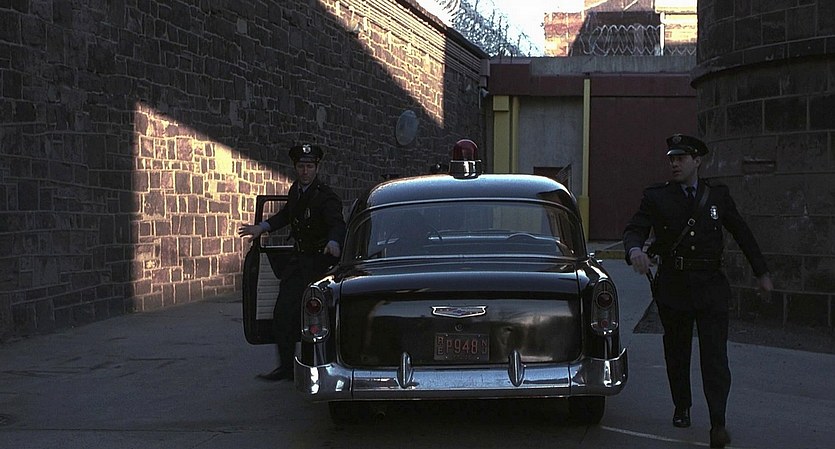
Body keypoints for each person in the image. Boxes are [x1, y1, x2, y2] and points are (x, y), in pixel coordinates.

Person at [622, 134, 773, 448]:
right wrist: (635, 250)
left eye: (681, 158)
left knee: (715, 358)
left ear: (697, 161)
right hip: (674, 287)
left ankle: (718, 422)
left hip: (710, 288)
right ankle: (682, 405)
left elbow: (741, 232)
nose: (674, 164)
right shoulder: (657, 197)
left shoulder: (716, 196)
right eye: (671, 159)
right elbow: (635, 228)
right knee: (677, 353)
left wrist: (761, 273)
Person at [238, 143, 346, 381]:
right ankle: (286, 367)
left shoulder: (326, 196)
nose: (305, 171)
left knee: (318, 318)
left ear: (317, 168)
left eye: (309, 167)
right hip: (299, 262)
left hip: (320, 264)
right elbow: (287, 214)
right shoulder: (296, 191)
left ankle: (319, 367)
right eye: (301, 166)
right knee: (283, 314)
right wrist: (262, 227)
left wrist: (334, 241)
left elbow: (337, 223)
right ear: (295, 167)